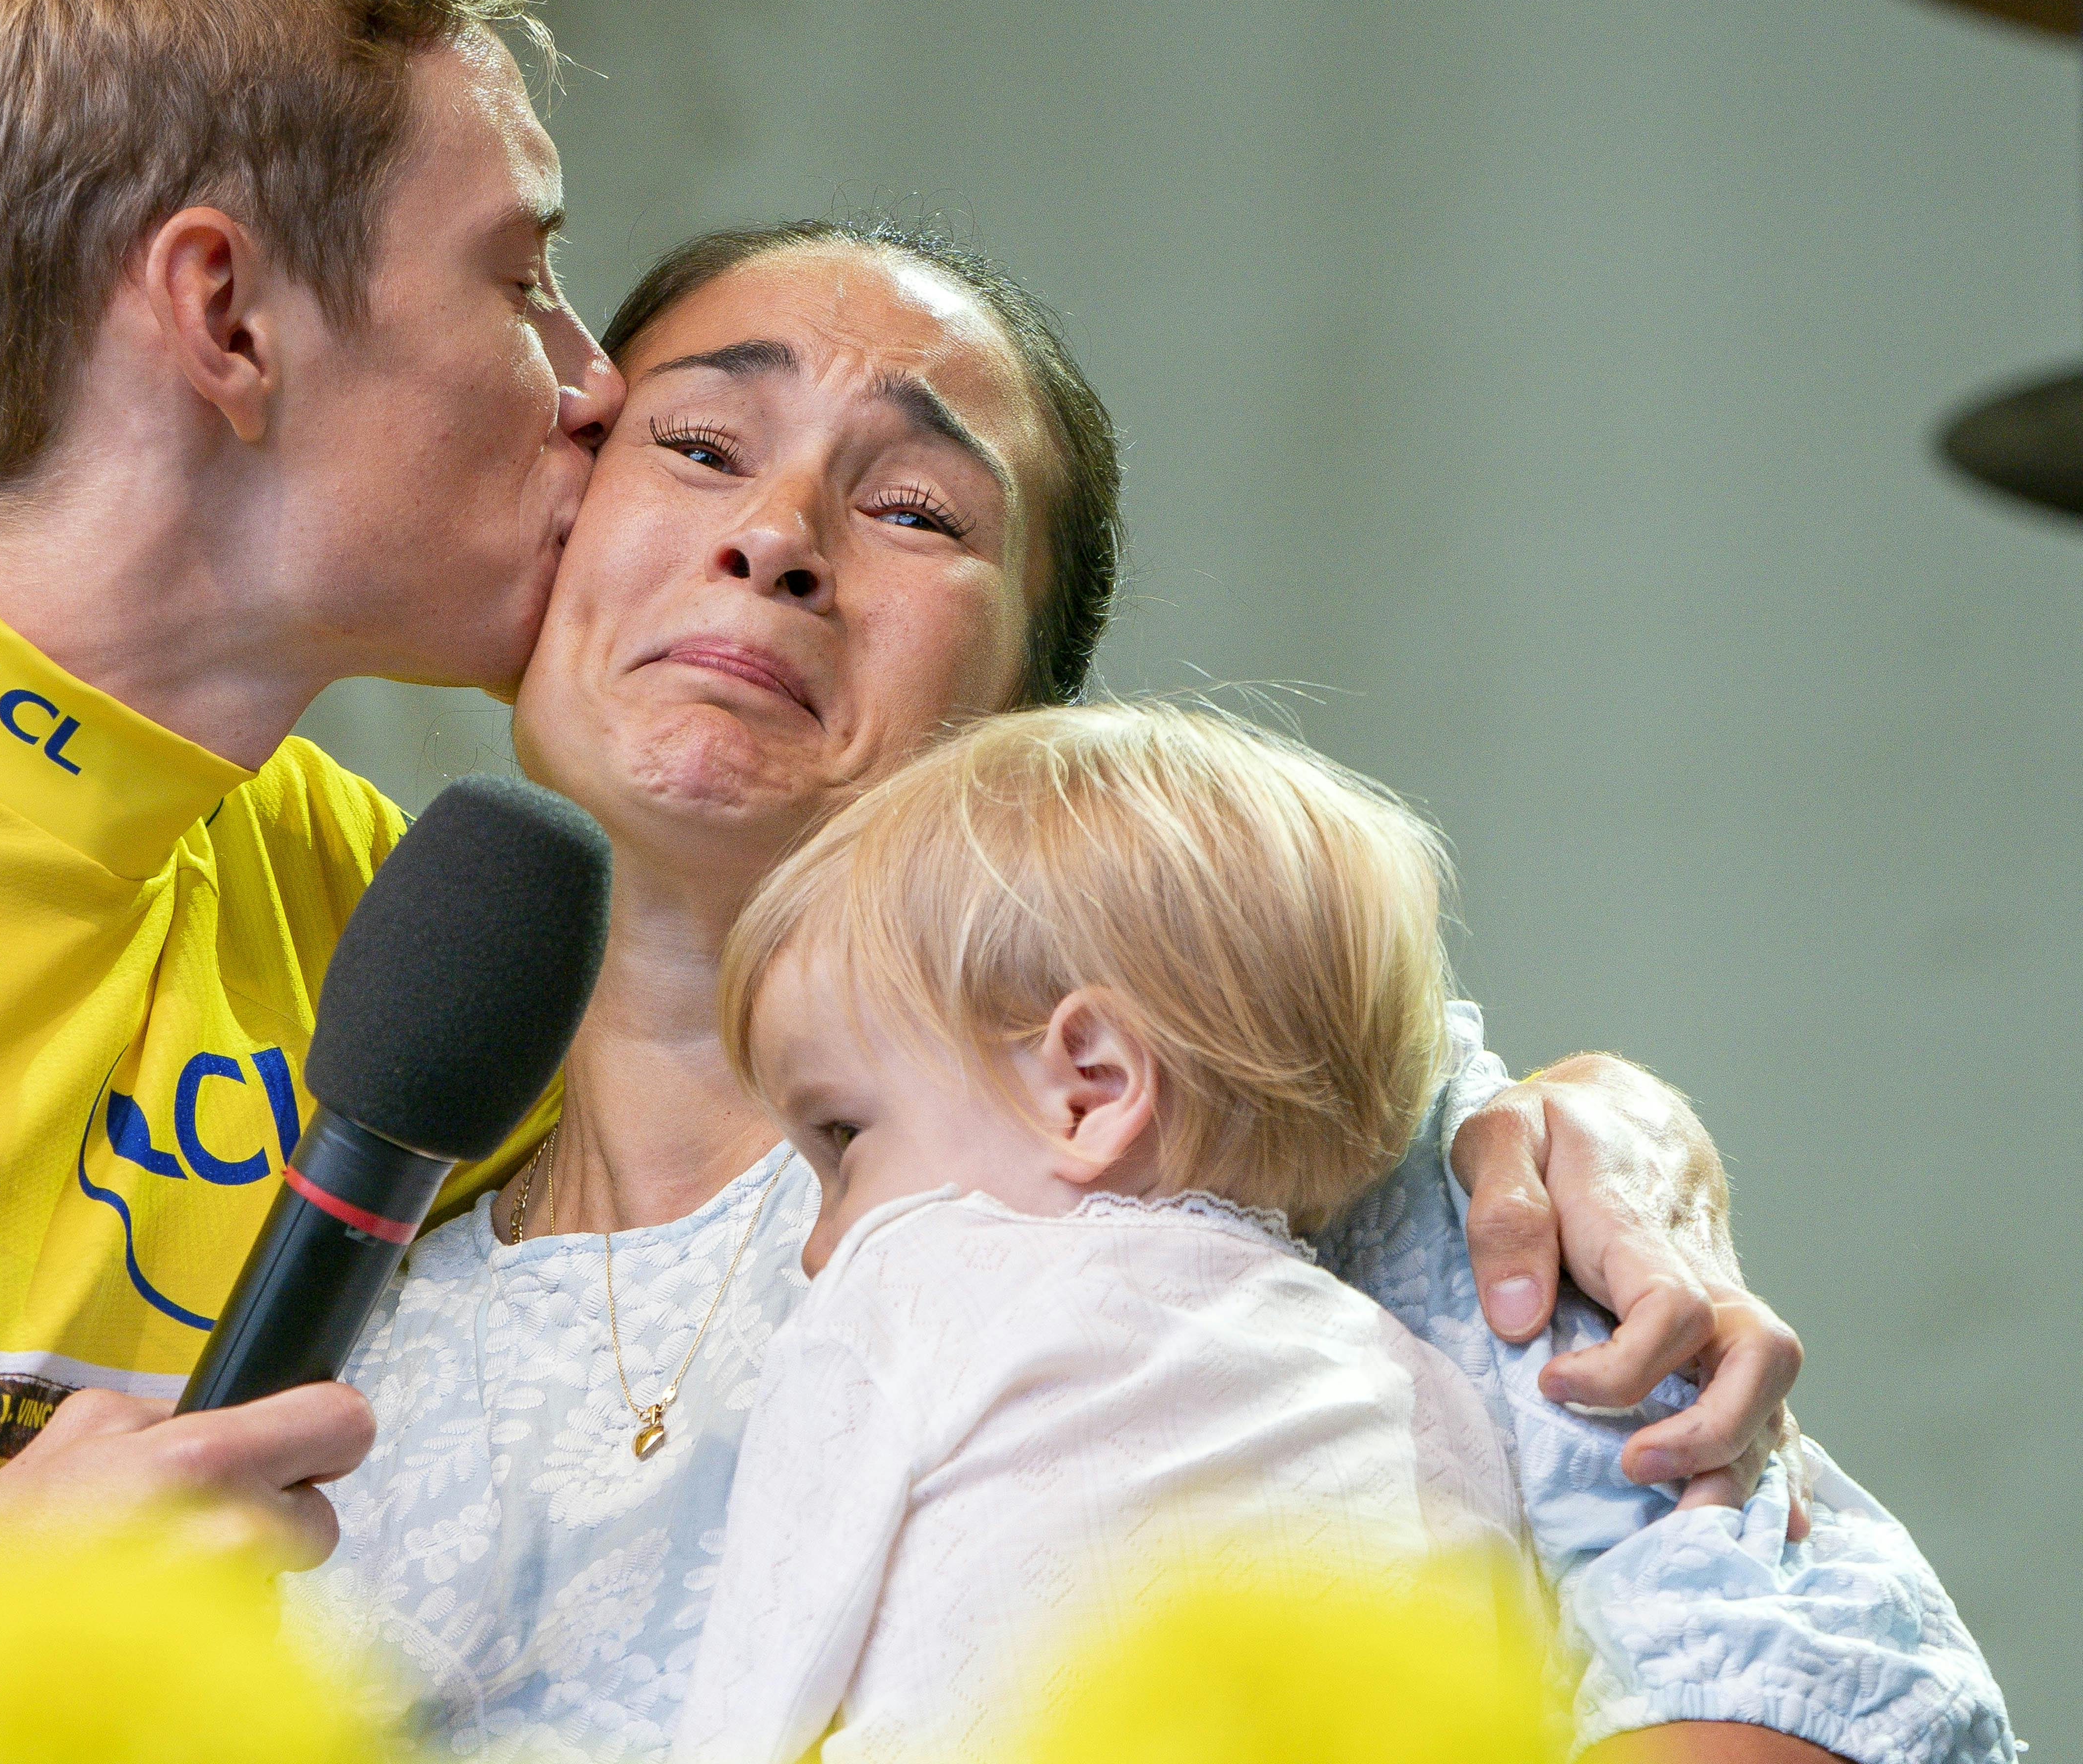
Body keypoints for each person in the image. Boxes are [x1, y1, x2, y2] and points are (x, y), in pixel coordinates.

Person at [0, 0, 1821, 1762]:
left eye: (898, 507)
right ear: (226, 315)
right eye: (534, 289)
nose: (584, 399)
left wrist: (1569, 1130)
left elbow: (1069, 1031)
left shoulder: (437, 940)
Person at [301, 221, 2013, 1764]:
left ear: (1030, 714)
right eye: (698, 447)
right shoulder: (336, 1294)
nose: (777, 538)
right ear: (553, 519)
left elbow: (1807, 1669)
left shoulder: (1242, 1134)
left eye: (915, 510)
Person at [677, 700, 1580, 1763]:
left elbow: (753, 1698)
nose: (819, 1242)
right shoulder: (1437, 1397)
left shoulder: (905, 1287)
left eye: (843, 1137)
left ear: (1091, 1085)